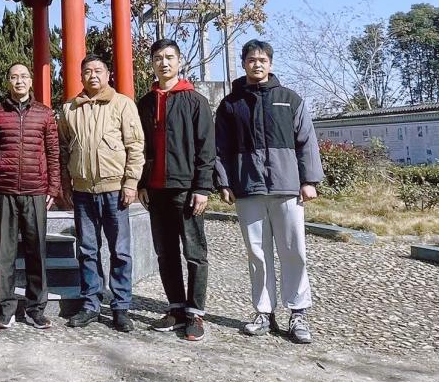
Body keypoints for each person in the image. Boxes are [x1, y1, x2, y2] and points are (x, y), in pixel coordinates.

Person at [215, 39, 324, 344]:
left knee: (294, 251)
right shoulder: (230, 105)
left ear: (271, 64)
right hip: (247, 188)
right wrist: (224, 182)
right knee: (257, 254)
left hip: (287, 187)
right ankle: (264, 312)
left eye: (262, 60)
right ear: (244, 64)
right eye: (252, 60)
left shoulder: (290, 99)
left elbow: (306, 141)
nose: (257, 64)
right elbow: (219, 148)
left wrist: (309, 180)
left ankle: (298, 312)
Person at [59, 55, 145, 332]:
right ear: (80, 76)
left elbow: (135, 146)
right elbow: (63, 149)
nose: (93, 75)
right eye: (87, 71)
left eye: (98, 70)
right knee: (87, 250)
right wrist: (65, 184)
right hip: (83, 190)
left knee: (120, 251)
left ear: (108, 74)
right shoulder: (70, 108)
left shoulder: (122, 104)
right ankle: (90, 304)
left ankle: (121, 306)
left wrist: (131, 182)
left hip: (115, 190)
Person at [136, 40, 215, 341]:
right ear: (152, 64)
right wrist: (142, 183)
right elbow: (140, 147)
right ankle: (176, 307)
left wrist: (202, 187)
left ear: (179, 62)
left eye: (169, 57)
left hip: (186, 188)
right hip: (155, 190)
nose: (164, 63)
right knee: (165, 252)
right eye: (158, 58)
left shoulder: (195, 101)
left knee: (194, 252)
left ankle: (196, 313)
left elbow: (206, 148)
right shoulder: (145, 102)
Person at [0, 62, 61, 330]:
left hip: (36, 191)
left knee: (37, 252)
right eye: (14, 77)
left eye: (24, 76)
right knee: (5, 254)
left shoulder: (44, 114)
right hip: (4, 191)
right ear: (8, 81)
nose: (19, 81)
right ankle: (6, 309)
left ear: (31, 81)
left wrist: (54, 187)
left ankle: (36, 309)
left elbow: (53, 152)